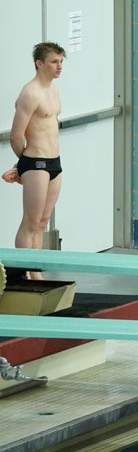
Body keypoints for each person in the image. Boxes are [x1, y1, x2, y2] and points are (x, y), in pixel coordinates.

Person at [3, 43, 67, 281]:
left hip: (54, 162)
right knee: (30, 222)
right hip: (35, 162)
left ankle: (35, 273)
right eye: (54, 62)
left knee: (42, 222)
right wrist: (23, 164)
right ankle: (22, 274)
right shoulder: (30, 93)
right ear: (39, 64)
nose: (59, 66)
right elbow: (16, 135)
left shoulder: (54, 90)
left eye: (61, 61)